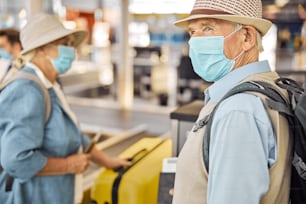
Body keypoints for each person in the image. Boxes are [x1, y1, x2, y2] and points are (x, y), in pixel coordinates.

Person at [0, 13, 130, 204]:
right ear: (42, 49)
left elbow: (73, 134)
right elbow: (16, 160)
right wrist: (68, 165)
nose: (72, 50)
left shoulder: (50, 85)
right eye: (65, 44)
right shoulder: (27, 90)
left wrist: (107, 162)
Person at [172, 0, 292, 204]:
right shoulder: (268, 87)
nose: (195, 42)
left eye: (208, 28)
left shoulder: (238, 110)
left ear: (247, 37)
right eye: (192, 32)